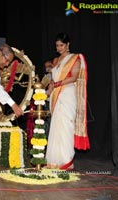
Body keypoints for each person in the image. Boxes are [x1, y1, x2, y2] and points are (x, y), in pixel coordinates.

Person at [45, 32, 89, 170]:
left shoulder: (74, 58)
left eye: (61, 45)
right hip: (56, 95)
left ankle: (66, 160)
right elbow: (52, 79)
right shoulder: (55, 61)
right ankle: (54, 161)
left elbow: (74, 77)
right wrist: (48, 91)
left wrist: (58, 84)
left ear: (68, 44)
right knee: (56, 127)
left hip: (67, 94)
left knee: (66, 126)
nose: (59, 48)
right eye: (57, 46)